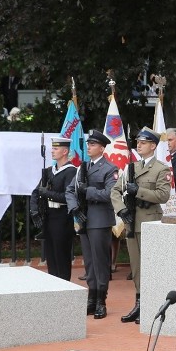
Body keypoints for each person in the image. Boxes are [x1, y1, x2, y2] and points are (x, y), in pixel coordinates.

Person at [111, 127, 171, 324]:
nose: (139, 144)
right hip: (131, 221)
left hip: (149, 223)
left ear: (153, 146)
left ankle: (150, 304)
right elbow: (115, 191)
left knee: (149, 266)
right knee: (136, 267)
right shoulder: (131, 168)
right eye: (138, 142)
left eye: (144, 142)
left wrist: (139, 191)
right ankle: (139, 303)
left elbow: (163, 196)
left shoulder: (161, 169)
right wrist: (121, 210)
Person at [65, 130, 118, 319]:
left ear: (102, 148)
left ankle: (101, 300)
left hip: (99, 219)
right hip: (84, 219)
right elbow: (70, 190)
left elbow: (109, 194)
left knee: (100, 261)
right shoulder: (82, 167)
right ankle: (91, 297)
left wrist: (87, 192)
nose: (89, 147)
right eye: (88, 144)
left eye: (93, 144)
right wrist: (74, 209)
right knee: (88, 261)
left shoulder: (110, 169)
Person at [31, 137, 78, 282]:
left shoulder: (70, 172)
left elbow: (67, 197)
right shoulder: (49, 171)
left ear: (65, 151)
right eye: (52, 148)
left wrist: (47, 194)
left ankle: (64, 287)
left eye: (56, 149)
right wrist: (34, 211)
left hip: (62, 217)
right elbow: (36, 192)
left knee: (61, 256)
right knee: (50, 256)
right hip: (49, 217)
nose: (52, 151)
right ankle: (54, 287)